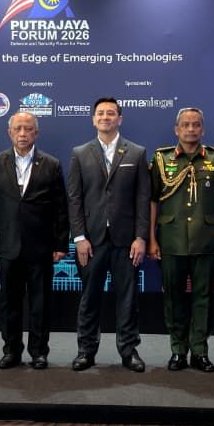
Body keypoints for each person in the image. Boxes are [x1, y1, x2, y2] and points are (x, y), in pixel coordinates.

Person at [65, 97, 150, 372]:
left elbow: (143, 199)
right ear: (93, 119)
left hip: (126, 241)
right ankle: (85, 351)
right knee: (89, 299)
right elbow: (74, 199)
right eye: (100, 113)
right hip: (91, 241)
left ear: (119, 119)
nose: (105, 117)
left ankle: (129, 351)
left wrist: (141, 237)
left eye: (111, 113)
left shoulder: (137, 152)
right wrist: (79, 237)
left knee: (127, 299)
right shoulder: (80, 153)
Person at [148, 108, 214, 372]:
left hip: (206, 241)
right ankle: (177, 351)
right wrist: (151, 238)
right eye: (185, 125)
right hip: (171, 241)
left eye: (196, 125)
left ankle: (199, 351)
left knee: (203, 298)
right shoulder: (161, 159)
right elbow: (152, 201)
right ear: (176, 129)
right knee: (173, 299)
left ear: (202, 129)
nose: (190, 129)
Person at [0, 112, 69, 369]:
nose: (22, 133)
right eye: (18, 128)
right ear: (10, 132)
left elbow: (60, 208)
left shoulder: (51, 164)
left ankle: (39, 352)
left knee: (40, 304)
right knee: (9, 303)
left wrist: (60, 244)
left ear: (36, 133)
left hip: (41, 247)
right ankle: (11, 351)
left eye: (28, 129)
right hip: (7, 245)